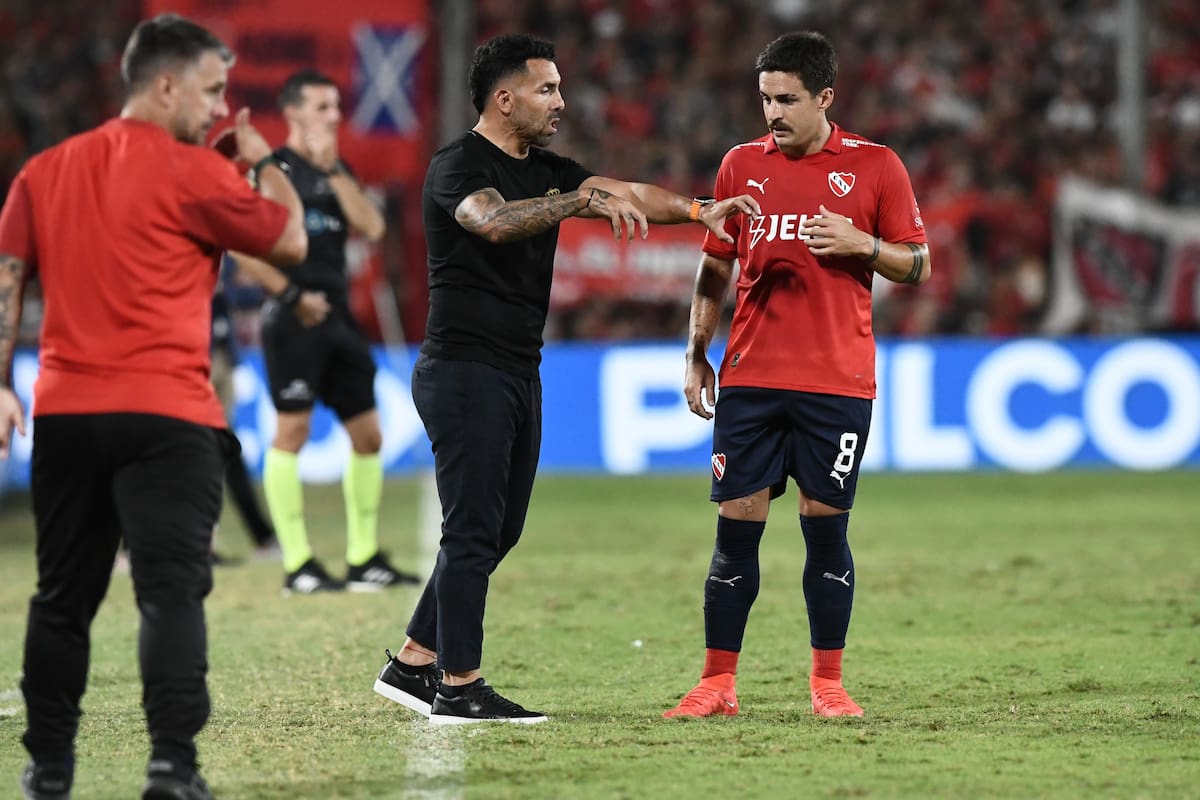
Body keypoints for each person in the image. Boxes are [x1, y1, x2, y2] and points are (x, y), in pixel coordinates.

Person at [370, 33, 760, 725]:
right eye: (546, 88)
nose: (560, 100)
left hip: (518, 370)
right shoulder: (457, 165)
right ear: (504, 97)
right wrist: (577, 203)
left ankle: (413, 662)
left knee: (499, 531)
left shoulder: (552, 168)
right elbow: (490, 221)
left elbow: (627, 191)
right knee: (471, 532)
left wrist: (701, 210)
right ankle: (459, 687)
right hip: (463, 369)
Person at [0, 13, 307, 799]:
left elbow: (7, 282)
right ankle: (172, 767)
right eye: (209, 91)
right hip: (168, 416)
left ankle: (49, 770)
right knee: (170, 594)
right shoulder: (196, 172)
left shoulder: (44, 171)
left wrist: (1, 384)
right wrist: (263, 157)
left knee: (61, 597)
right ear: (165, 84)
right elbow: (292, 242)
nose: (215, 109)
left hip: (66, 412)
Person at [662, 31, 930, 720]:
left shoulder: (875, 168)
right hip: (751, 377)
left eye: (787, 100)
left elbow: (919, 263)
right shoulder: (738, 167)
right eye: (765, 100)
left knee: (825, 529)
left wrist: (863, 245)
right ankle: (717, 683)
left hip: (838, 382)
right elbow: (716, 263)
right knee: (735, 526)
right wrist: (697, 350)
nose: (772, 114)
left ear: (825, 98)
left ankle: (828, 684)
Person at [230, 68, 417, 595]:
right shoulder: (271, 169)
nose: (333, 116)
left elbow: (374, 228)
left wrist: (333, 169)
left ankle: (362, 560)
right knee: (291, 432)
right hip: (292, 317)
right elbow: (241, 245)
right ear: (291, 112)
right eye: (321, 107)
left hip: (338, 315)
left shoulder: (338, 170)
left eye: (335, 107)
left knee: (368, 435)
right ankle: (298, 565)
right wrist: (290, 295)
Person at [209, 257, 280, 561]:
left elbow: (242, 294)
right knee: (208, 448)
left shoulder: (225, 254)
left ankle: (259, 536)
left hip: (221, 356)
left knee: (221, 447)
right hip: (192, 355)